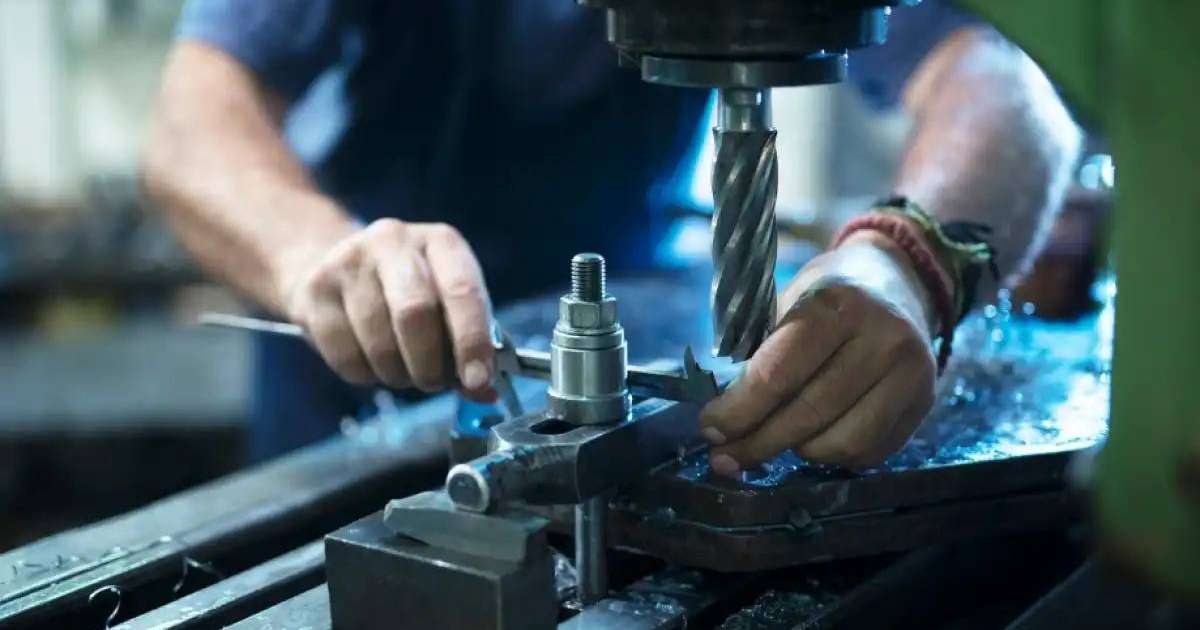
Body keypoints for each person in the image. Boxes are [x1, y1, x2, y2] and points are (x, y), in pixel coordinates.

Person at [145, 0, 1080, 470]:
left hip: (632, 356)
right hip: (366, 389)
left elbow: (1005, 84)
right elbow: (194, 119)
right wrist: (314, 256)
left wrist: (905, 261)